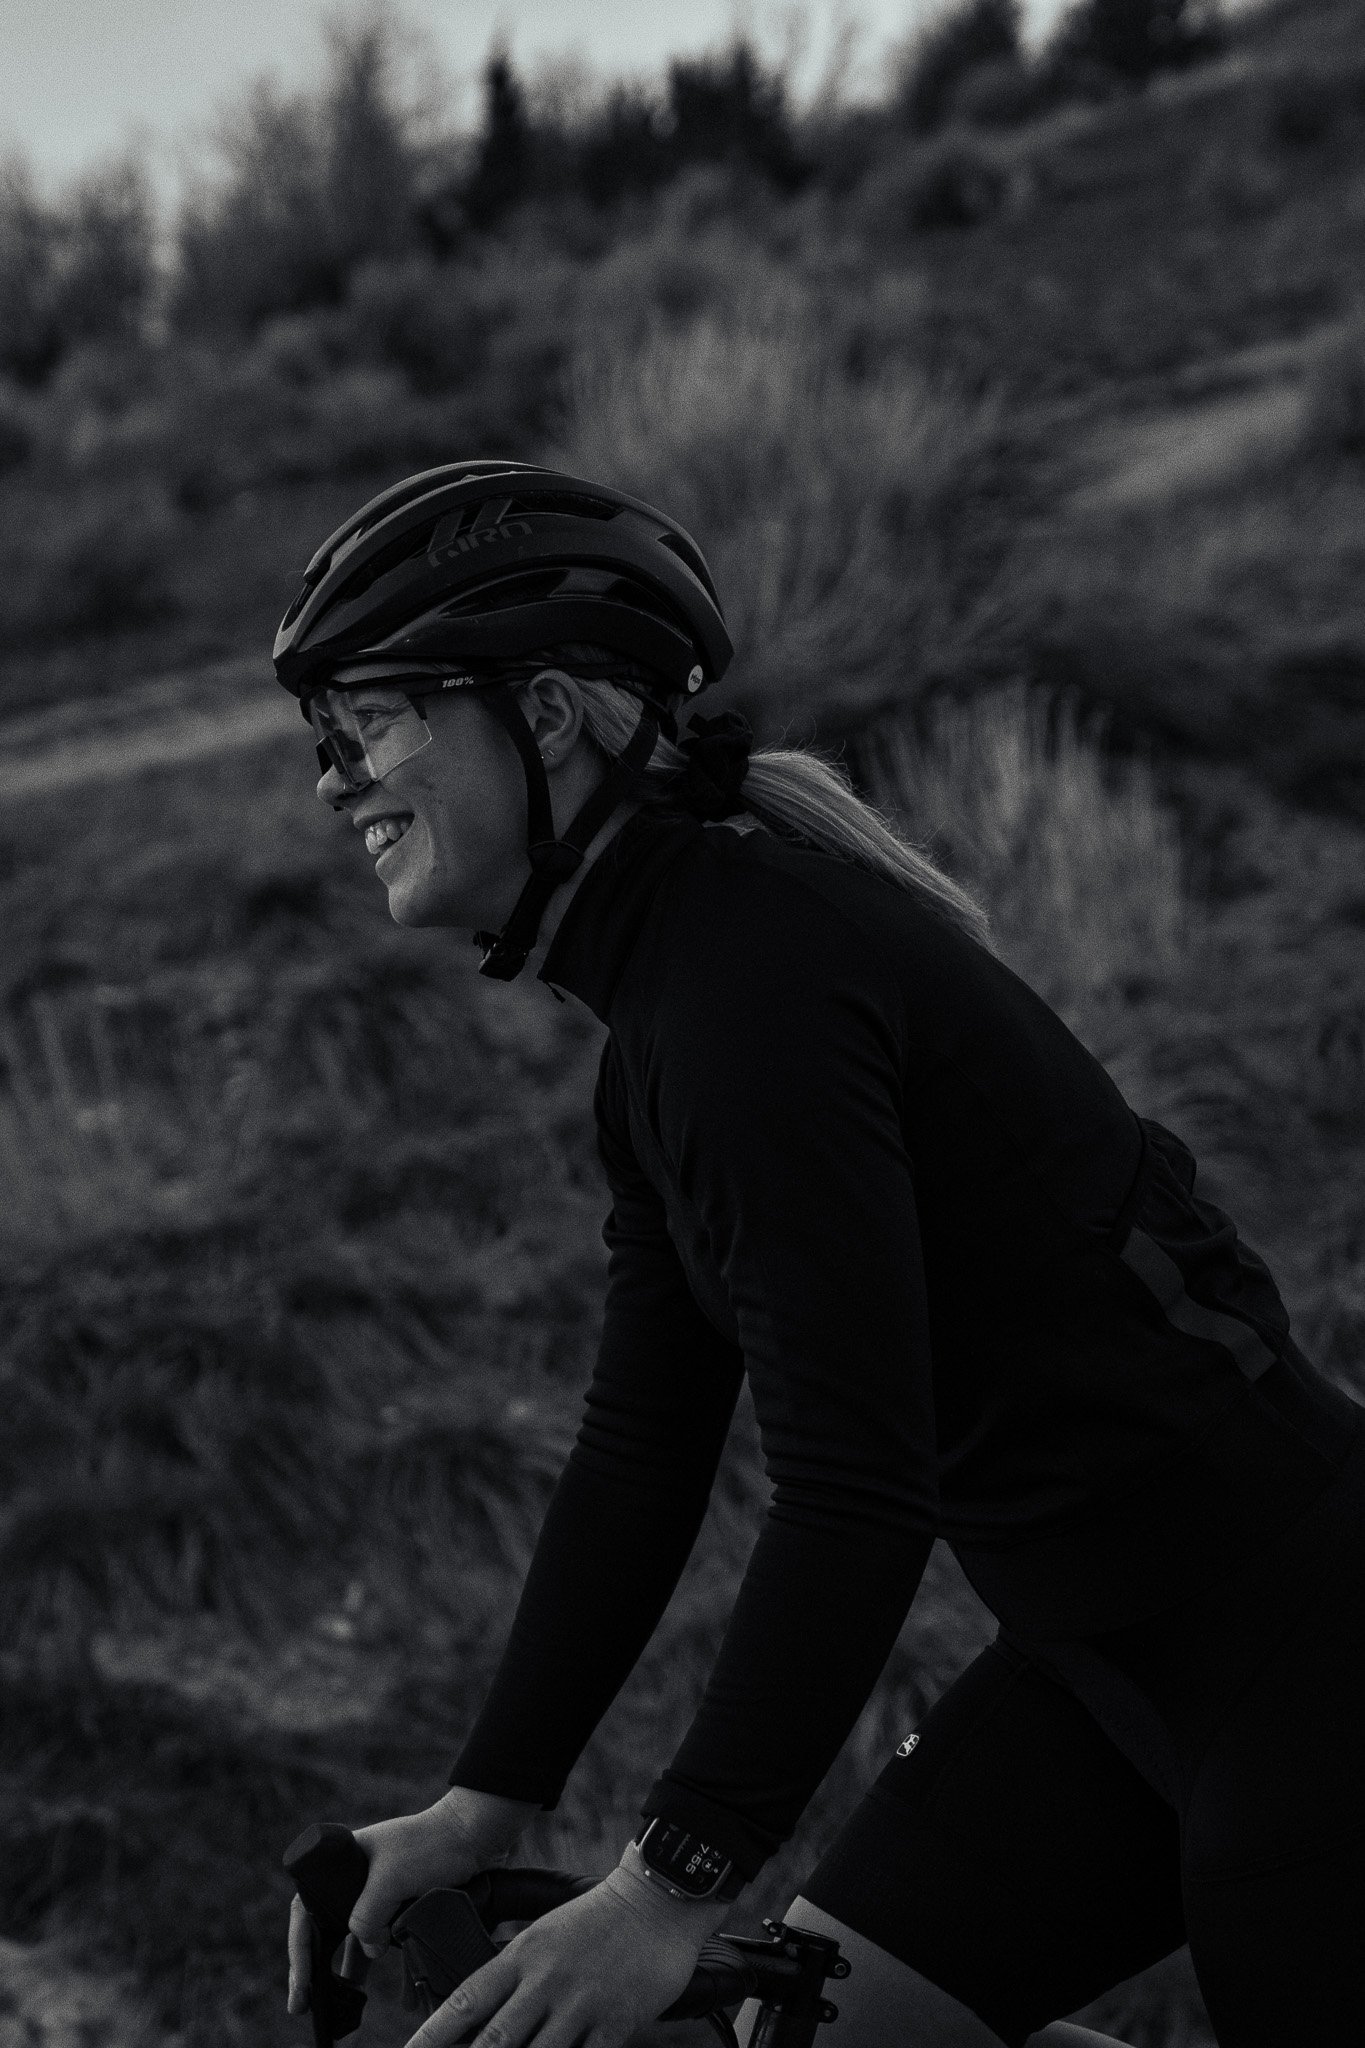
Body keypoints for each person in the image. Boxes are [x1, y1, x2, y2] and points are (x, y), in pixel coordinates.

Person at [279, 460, 1365, 2048]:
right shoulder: (670, 1011)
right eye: (325, 737)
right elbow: (643, 1448)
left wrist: (668, 1887)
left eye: (370, 722)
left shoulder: (750, 994)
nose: (333, 781)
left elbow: (855, 1483)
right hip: (1102, 1672)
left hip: (1314, 1677)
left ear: (549, 715)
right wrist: (483, 1802)